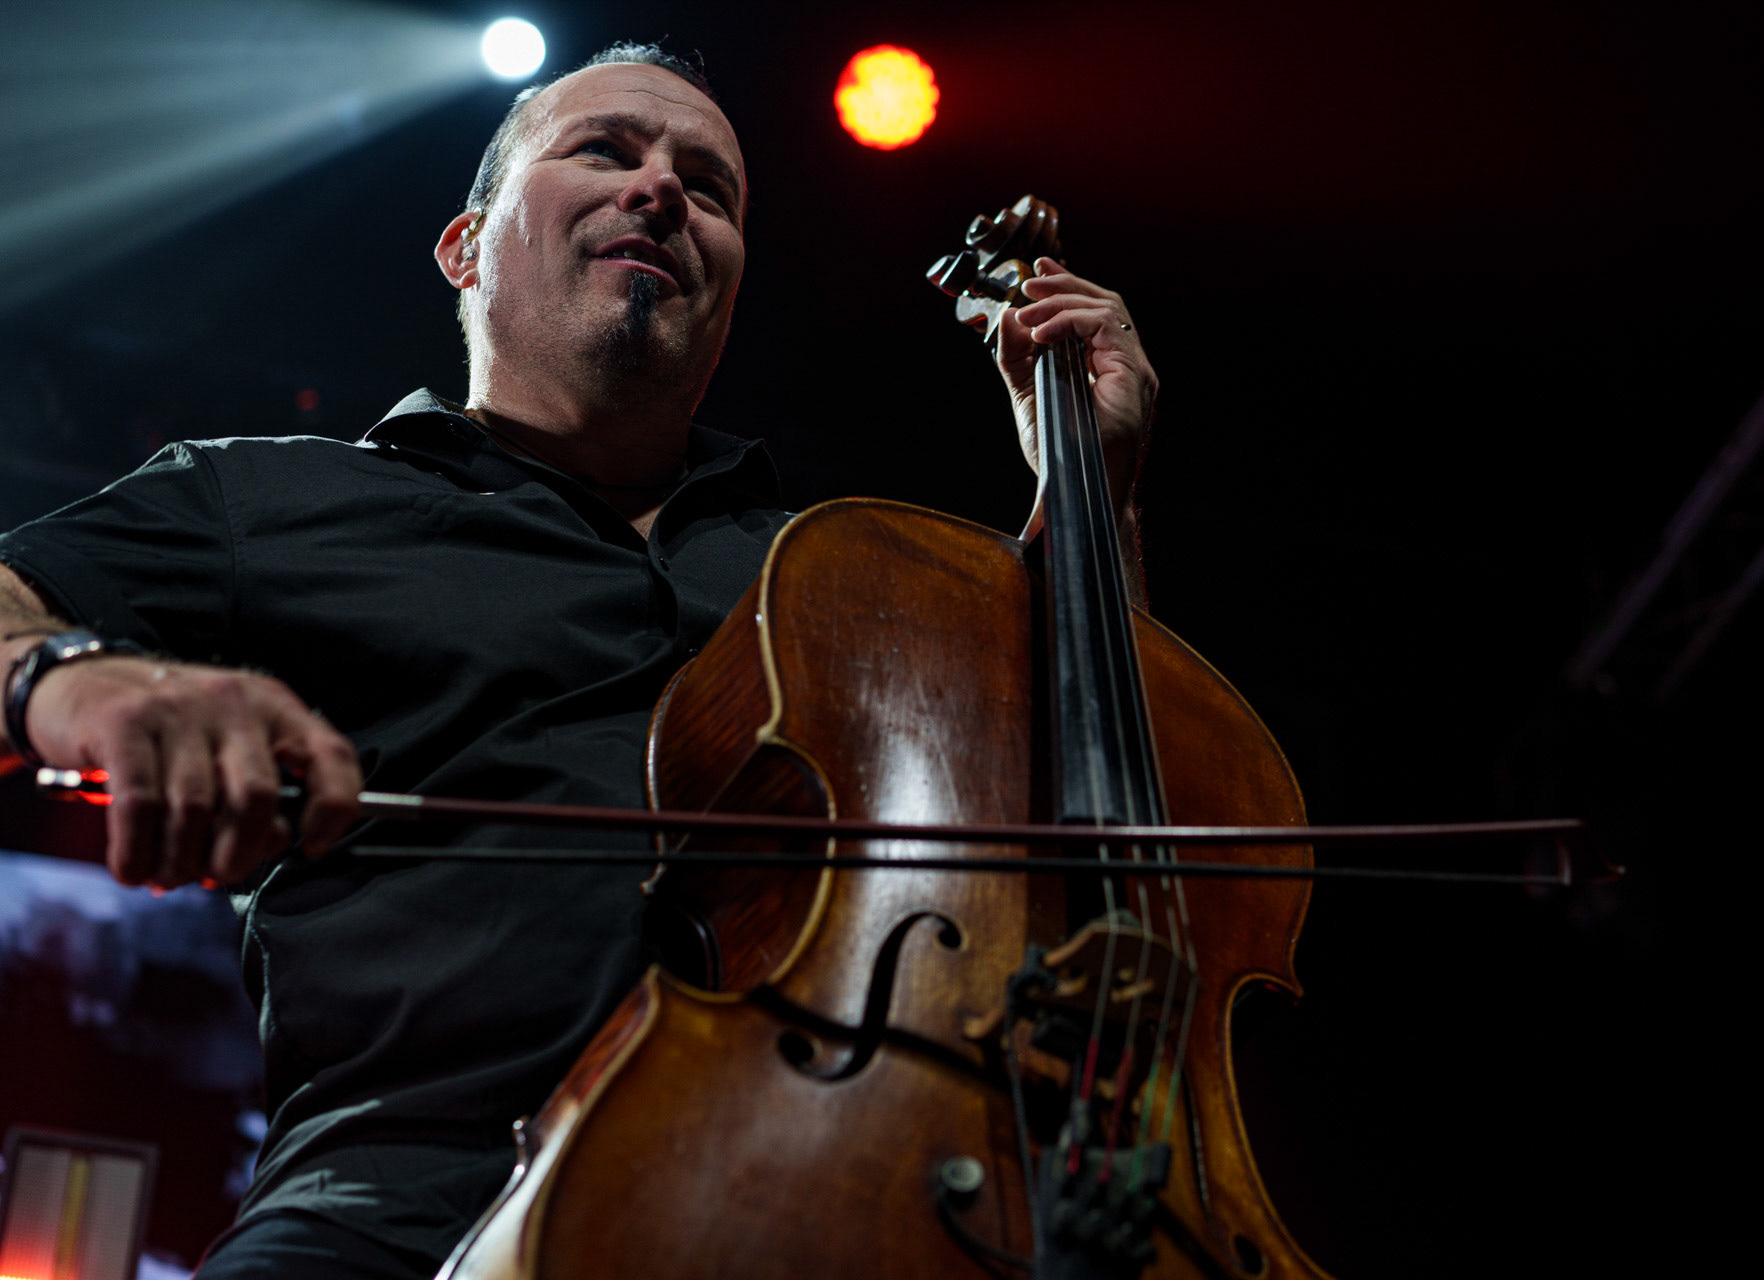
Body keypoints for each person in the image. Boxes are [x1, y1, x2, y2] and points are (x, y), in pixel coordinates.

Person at [0, 42, 1157, 1279]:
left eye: (707, 186)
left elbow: (1084, 812)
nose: (661, 188)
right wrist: (71, 675)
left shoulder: (843, 573)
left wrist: (1097, 497)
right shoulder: (270, 497)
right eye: (605, 150)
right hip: (404, 1205)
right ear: (465, 244)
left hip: (828, 1191)